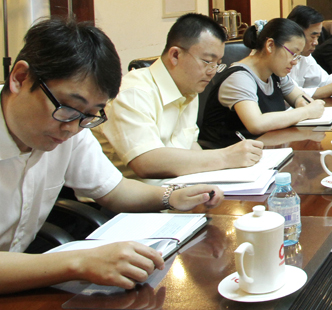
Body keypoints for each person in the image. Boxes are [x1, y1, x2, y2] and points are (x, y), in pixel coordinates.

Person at [0, 18, 223, 295]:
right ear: (20, 78)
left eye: (90, 115)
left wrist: (171, 196)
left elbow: (113, 190)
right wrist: (78, 262)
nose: (72, 128)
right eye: (68, 108)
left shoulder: (73, 127)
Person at [96, 14, 263, 183]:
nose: (212, 71)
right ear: (175, 55)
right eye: (207, 61)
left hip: (177, 188)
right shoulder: (133, 92)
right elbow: (146, 162)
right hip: (137, 195)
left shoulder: (189, 88)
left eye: (217, 64)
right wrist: (225, 157)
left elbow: (190, 147)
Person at [200, 18, 325, 147]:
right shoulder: (239, 77)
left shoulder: (276, 73)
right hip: (226, 154)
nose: (295, 62)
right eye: (293, 54)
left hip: (265, 148)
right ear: (270, 45)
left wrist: (301, 102)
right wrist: (306, 112)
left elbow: (298, 96)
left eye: (298, 56)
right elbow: (256, 124)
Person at [287, 5, 332, 98]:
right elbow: (294, 94)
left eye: (318, 37)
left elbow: (324, 80)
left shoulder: (305, 56)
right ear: (295, 32)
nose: (316, 42)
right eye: (313, 37)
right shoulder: (283, 58)